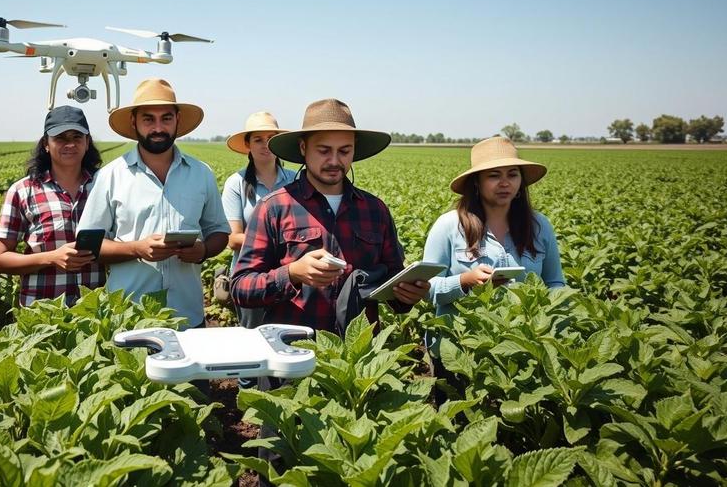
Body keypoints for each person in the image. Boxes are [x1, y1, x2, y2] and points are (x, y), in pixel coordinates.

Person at [230, 98, 429, 336]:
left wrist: (407, 294)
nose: (335, 161)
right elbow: (241, 286)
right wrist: (292, 273)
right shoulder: (274, 207)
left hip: (357, 357)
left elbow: (392, 279)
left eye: (344, 151)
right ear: (303, 148)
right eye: (324, 151)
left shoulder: (375, 210)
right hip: (294, 351)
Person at [76, 78, 230, 329]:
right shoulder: (111, 175)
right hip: (130, 318)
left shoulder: (201, 174)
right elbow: (88, 245)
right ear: (134, 122)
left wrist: (202, 250)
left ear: (177, 120)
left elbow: (219, 231)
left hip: (187, 315)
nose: (158, 127)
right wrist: (137, 248)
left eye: (166, 118)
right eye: (148, 119)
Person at [422, 136, 565, 392]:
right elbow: (427, 287)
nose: (504, 183)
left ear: (521, 182)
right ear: (476, 182)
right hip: (460, 349)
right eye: (493, 175)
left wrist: (553, 320)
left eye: (512, 174)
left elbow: (556, 282)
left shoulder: (540, 226)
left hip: (523, 346)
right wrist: (465, 282)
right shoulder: (449, 226)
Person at [0, 105, 104, 307]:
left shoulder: (104, 186)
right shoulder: (23, 190)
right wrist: (51, 258)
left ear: (87, 143)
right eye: (61, 138)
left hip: (96, 312)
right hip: (42, 313)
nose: (70, 144)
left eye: (77, 137)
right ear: (46, 144)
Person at [221, 111, 297, 330]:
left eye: (271, 138)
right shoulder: (237, 183)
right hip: (251, 278)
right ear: (248, 145)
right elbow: (233, 239)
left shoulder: (295, 179)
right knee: (254, 338)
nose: (265, 145)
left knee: (291, 339)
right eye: (258, 139)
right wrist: (276, 243)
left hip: (291, 275)